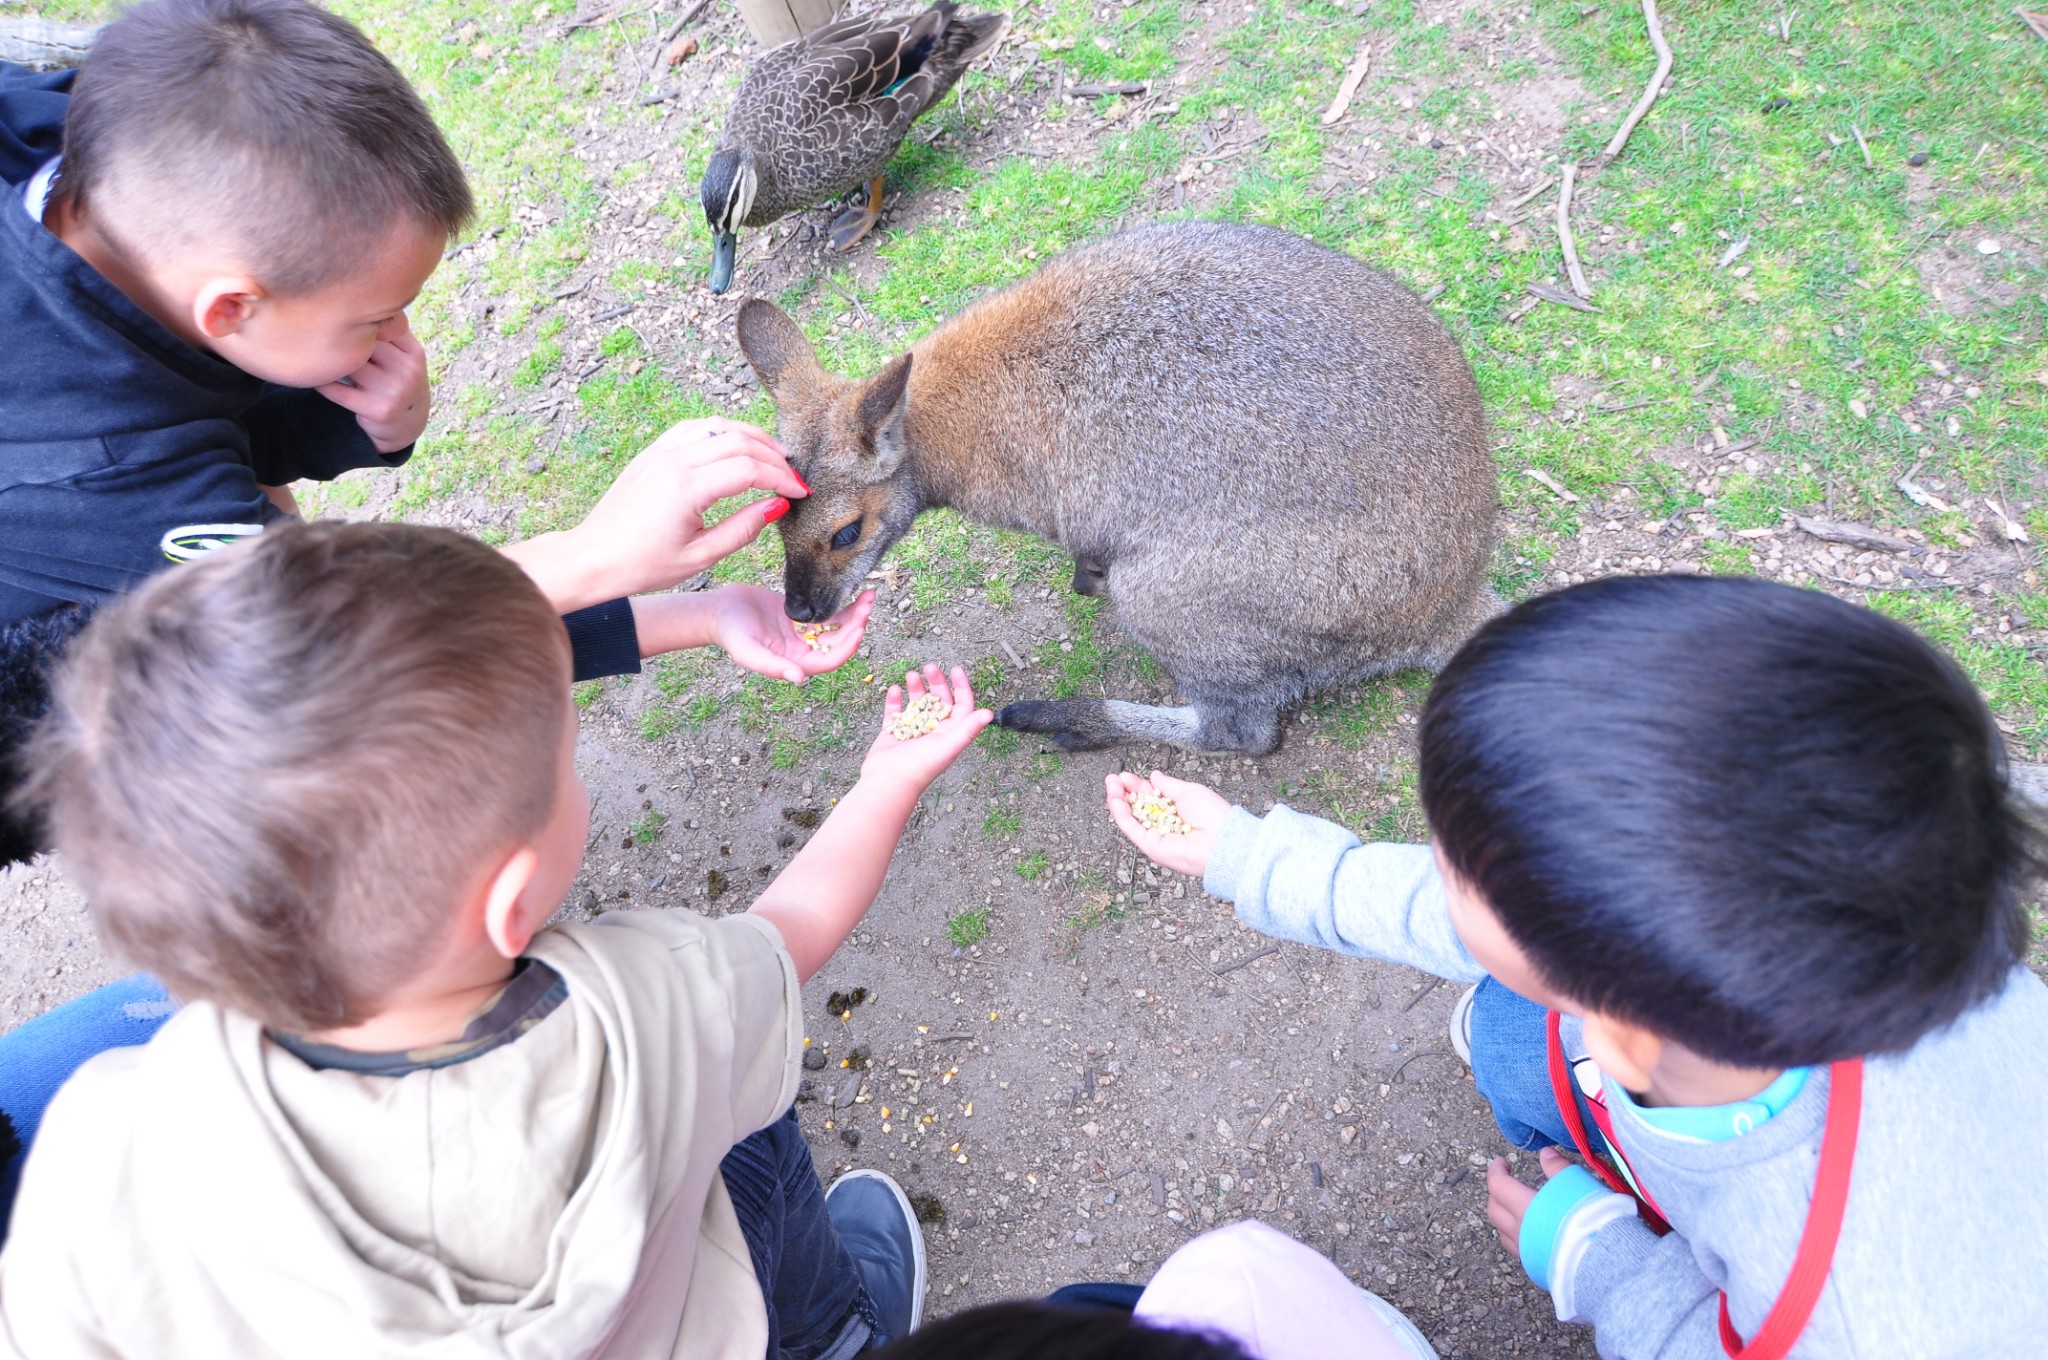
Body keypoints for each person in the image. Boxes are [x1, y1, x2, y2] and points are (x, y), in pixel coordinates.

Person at [0, 0, 873, 1213]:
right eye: (372, 322)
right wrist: (596, 553)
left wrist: (364, 424)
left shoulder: (81, 148)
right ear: (231, 307)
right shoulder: (111, 483)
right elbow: (326, 660)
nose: (399, 336)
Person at [0, 520, 986, 1356]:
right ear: (510, 897)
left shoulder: (98, 1142)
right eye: (568, 759)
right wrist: (885, 780)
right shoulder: (645, 1004)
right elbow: (791, 928)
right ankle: (837, 1332)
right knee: (746, 1118)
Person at [1105, 575, 2048, 1357]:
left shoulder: (1844, 1320)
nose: (1440, 875)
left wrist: (1594, 1257)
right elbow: (1505, 918)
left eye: (1455, 873)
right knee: (1513, 1029)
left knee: (1512, 1044)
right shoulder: (1909, 899)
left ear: (1625, 1039)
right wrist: (1249, 855)